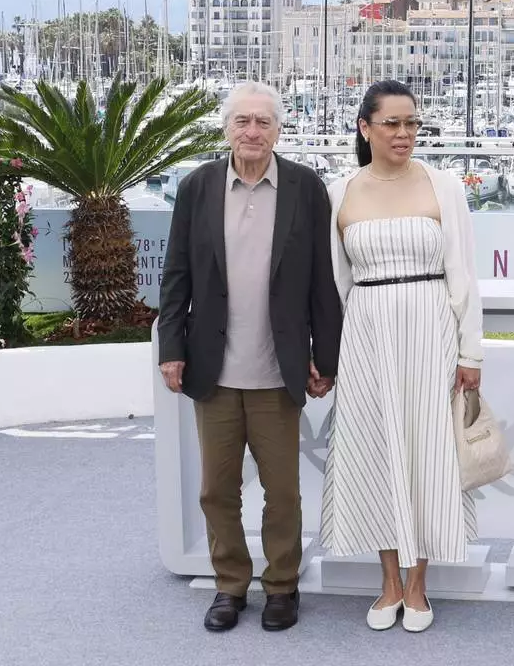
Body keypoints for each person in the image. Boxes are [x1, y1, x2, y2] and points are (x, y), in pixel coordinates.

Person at [157, 81, 343, 633]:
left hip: (277, 369)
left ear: (278, 129)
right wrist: (171, 349)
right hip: (213, 367)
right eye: (242, 121)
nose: (253, 131)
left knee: (282, 491)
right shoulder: (197, 187)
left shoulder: (306, 188)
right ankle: (230, 585)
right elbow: (176, 275)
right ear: (227, 129)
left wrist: (324, 358)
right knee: (217, 488)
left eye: (263, 121)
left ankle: (282, 585)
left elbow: (322, 283)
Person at [319, 80, 483, 633]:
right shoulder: (339, 191)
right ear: (365, 128)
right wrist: (330, 353)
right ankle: (388, 581)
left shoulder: (445, 186)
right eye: (391, 123)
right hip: (365, 334)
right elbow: (335, 283)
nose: (404, 133)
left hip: (431, 331)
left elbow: (463, 277)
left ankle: (419, 584)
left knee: (428, 454)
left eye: (412, 123)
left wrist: (471, 353)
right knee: (376, 452)